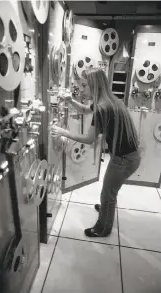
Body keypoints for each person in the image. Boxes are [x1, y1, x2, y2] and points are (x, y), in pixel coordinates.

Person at [51, 68, 141, 238]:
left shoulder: (102, 108)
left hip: (123, 159)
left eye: (84, 85)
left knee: (107, 194)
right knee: (109, 193)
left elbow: (89, 139)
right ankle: (106, 207)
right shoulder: (109, 100)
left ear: (94, 86)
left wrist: (64, 132)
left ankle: (103, 228)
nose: (82, 89)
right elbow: (86, 110)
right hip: (129, 157)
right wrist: (70, 101)